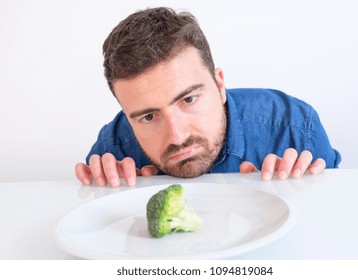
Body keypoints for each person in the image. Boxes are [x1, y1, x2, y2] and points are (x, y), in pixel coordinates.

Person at [75, 7, 341, 187]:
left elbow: (336, 226)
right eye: (148, 116)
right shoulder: (114, 148)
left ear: (219, 84)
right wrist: (107, 195)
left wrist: (307, 193)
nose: (177, 137)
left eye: (188, 100)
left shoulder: (295, 127)